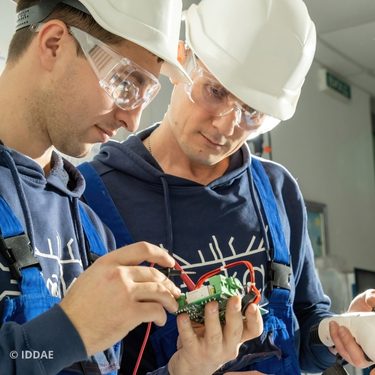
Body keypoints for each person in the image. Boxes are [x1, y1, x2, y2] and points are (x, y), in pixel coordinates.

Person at [79, 0, 375, 374]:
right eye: (215, 91)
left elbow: (305, 328)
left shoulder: (277, 188)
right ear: (181, 59)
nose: (225, 126)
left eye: (250, 112)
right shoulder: (90, 195)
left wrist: (339, 332)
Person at [0, 0, 262, 374]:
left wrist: (187, 369)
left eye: (146, 94)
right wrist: (67, 332)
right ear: (54, 43)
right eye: (125, 83)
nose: (132, 119)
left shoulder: (91, 229)